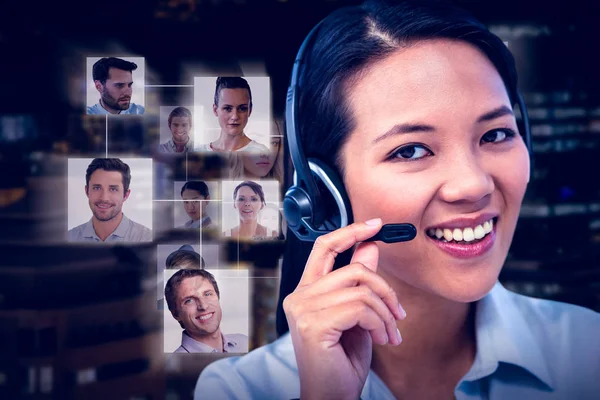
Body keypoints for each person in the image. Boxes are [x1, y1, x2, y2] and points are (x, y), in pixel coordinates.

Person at [195, 1, 600, 399]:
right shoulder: (242, 390)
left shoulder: (587, 352)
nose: (473, 185)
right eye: (410, 150)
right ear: (324, 190)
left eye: (495, 135)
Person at [68, 158, 152, 242]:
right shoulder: (69, 238)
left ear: (126, 195)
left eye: (113, 189)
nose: (104, 198)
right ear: (87, 191)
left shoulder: (146, 239)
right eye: (97, 188)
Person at [165, 269, 248, 353]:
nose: (204, 306)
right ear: (176, 314)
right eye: (189, 300)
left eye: (207, 294)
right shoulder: (175, 364)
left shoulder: (245, 343)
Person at [196, 77, 269, 153]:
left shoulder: (262, 153)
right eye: (227, 108)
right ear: (215, 110)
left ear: (250, 110)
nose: (235, 117)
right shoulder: (198, 153)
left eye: (242, 108)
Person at [158, 245, 206, 310]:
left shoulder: (206, 306)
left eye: (190, 270)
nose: (182, 275)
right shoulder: (158, 307)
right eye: (177, 270)